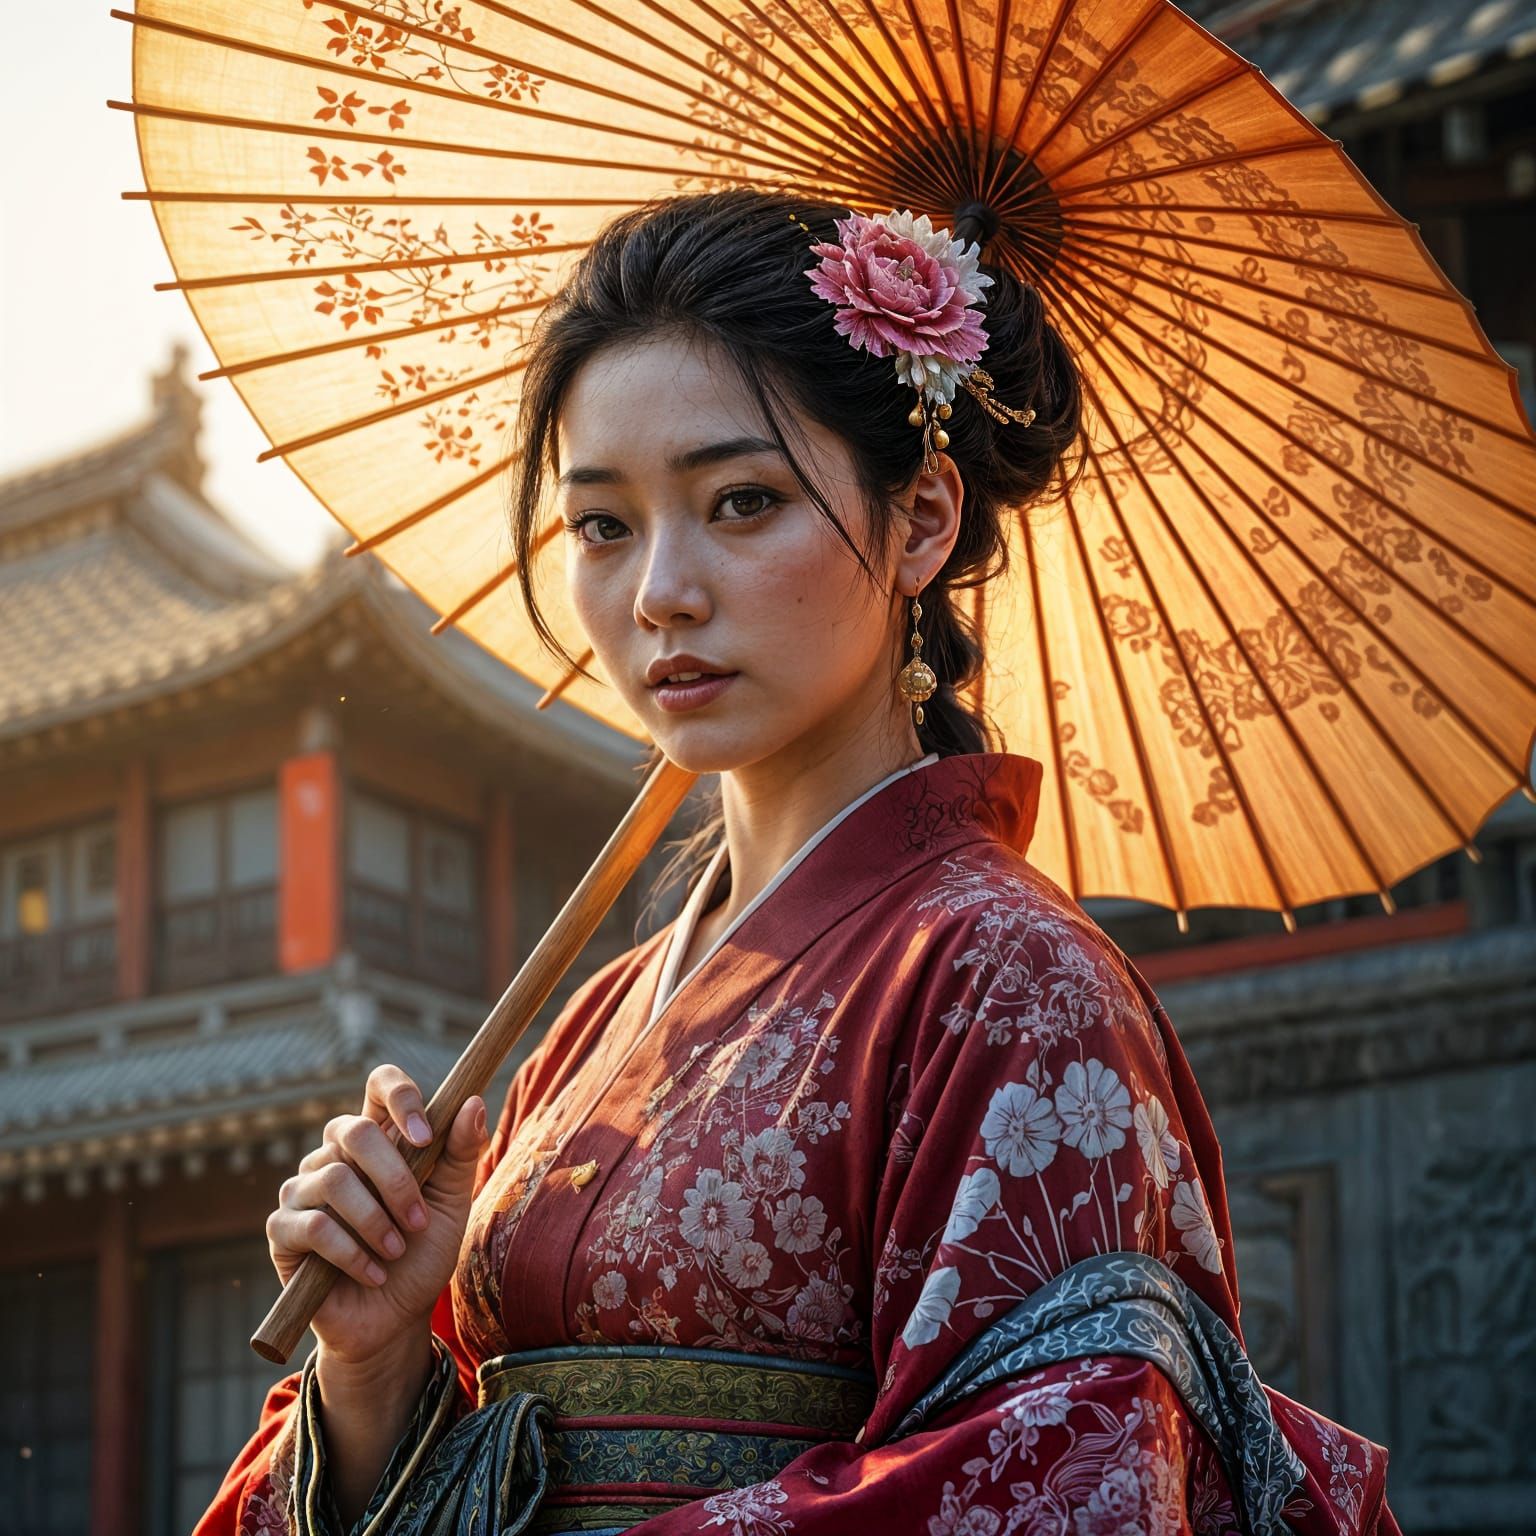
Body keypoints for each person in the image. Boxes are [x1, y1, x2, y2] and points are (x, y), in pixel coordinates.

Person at [196, 189, 1399, 1536]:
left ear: (924, 520)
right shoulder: (594, 1023)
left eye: (742, 501)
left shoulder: (1017, 986)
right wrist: (374, 1369)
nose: (659, 591)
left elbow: (1062, 1477)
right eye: (603, 525)